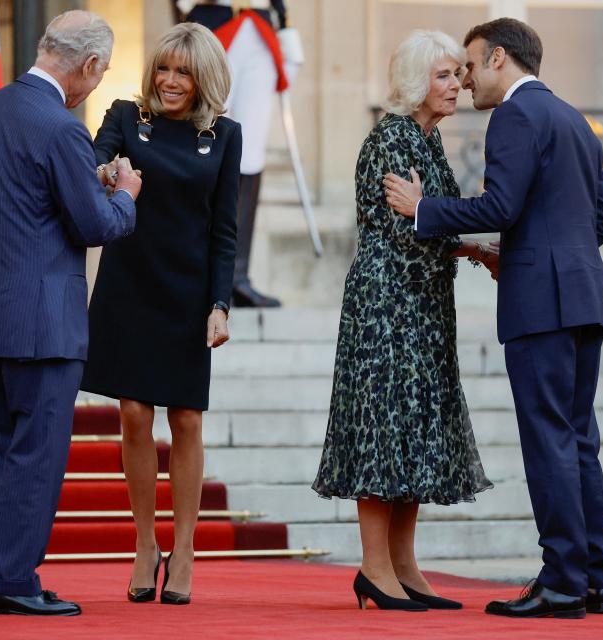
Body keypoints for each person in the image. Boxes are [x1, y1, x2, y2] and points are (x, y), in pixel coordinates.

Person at [384, 18, 603, 619]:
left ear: (498, 59)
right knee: (580, 440)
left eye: (469, 64)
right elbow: (601, 224)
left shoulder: (514, 116)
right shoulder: (575, 121)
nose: (465, 78)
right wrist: (516, 253)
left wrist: (424, 208)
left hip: (540, 307)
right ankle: (594, 577)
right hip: (587, 298)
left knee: (549, 443)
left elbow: (500, 205)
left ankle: (562, 581)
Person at [0, 11, 140, 616]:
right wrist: (125, 193)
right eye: (97, 77)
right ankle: (10, 580)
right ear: (90, 65)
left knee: (0, 450)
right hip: (43, 324)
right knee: (37, 453)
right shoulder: (61, 128)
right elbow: (95, 225)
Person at [312, 29, 494, 613]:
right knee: (382, 431)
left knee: (413, 435)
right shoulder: (392, 138)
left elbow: (428, 221)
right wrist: (449, 231)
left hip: (424, 308)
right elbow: (402, 229)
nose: (458, 85)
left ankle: (404, 566)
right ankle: (373, 568)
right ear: (417, 82)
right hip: (386, 311)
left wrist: (456, 236)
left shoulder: (428, 139)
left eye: (456, 75)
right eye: (444, 76)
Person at [80, 22, 240, 606]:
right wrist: (104, 175)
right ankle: (146, 544)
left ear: (204, 79)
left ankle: (187, 549)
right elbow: (93, 162)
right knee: (132, 413)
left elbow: (225, 230)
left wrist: (220, 304)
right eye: (164, 69)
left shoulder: (224, 135)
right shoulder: (127, 115)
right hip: (129, 283)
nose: (170, 82)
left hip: (188, 290)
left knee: (188, 420)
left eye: (183, 72)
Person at [184, 0, 294, 307]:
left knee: (251, 151)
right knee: (202, 141)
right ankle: (197, 271)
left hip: (259, 25)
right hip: (213, 21)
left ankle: (237, 276)